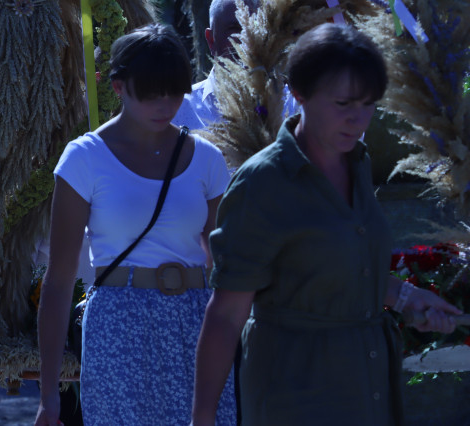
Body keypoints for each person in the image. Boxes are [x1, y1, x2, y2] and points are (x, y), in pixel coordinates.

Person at [190, 23, 460, 426]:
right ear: (299, 94)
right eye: (342, 103)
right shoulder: (264, 182)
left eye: (368, 104)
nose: (358, 118)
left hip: (367, 389)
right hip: (297, 394)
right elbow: (227, 313)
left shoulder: (359, 162)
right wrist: (203, 418)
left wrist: (406, 299)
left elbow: (334, 268)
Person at [35, 23, 236, 425]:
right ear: (117, 87)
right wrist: (48, 397)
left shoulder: (209, 159)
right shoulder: (84, 158)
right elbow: (57, 283)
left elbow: (227, 271)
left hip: (196, 325)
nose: (165, 105)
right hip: (117, 325)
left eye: (175, 92)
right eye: (151, 93)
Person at [174, 0, 266, 130]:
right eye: (235, 28)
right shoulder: (178, 109)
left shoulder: (292, 104)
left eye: (257, 28)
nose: (247, 39)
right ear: (211, 40)